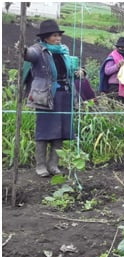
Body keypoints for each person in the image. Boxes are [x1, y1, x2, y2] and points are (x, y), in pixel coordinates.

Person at [24, 19, 82, 177]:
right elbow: (29, 55)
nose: (58, 38)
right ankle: (40, 165)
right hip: (47, 96)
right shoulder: (39, 50)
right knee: (43, 132)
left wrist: (78, 72)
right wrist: (23, 51)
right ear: (45, 38)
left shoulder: (63, 51)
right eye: (54, 36)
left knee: (60, 132)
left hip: (65, 95)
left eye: (59, 35)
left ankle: (53, 164)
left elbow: (71, 69)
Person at [99, 37, 124, 108]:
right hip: (114, 86)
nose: (122, 49)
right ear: (117, 47)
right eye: (120, 47)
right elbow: (107, 71)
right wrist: (117, 66)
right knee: (115, 106)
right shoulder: (112, 57)